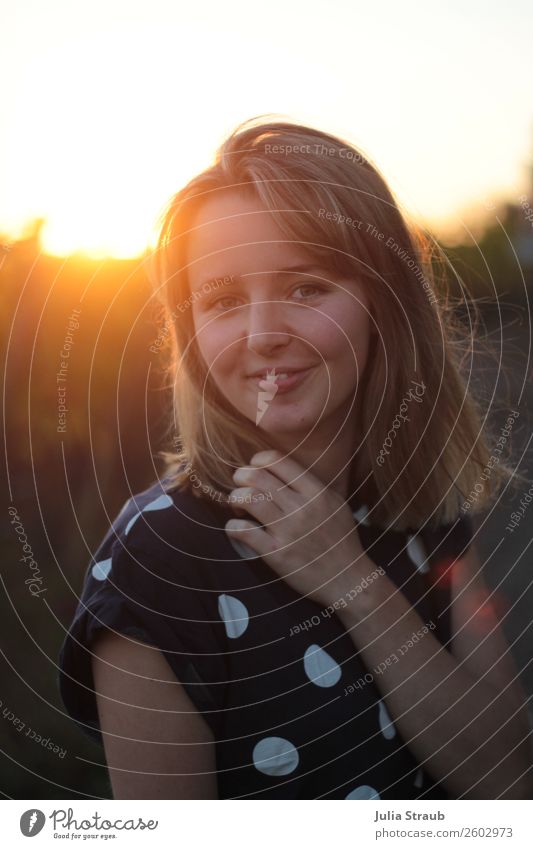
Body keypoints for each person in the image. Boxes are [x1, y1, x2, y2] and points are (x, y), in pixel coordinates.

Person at [57, 116, 532, 800]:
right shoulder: (159, 557)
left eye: (306, 287)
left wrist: (353, 581)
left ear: (384, 302)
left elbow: (507, 782)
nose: (260, 335)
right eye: (221, 301)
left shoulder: (423, 506)